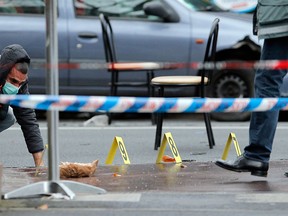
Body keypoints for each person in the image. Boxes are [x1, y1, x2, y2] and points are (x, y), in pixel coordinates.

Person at [215, 0, 288, 177]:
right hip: (280, 15)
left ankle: (257, 155)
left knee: (268, 81)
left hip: (282, 16)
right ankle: (257, 155)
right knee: (268, 80)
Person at [0, 44, 44, 167]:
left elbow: (28, 118)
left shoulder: (21, 83)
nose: (16, 87)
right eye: (13, 81)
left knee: (8, 117)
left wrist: (39, 165)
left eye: (20, 83)